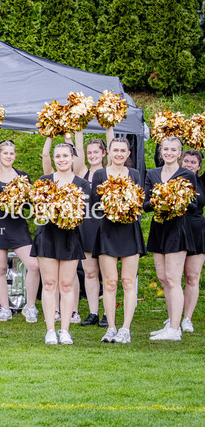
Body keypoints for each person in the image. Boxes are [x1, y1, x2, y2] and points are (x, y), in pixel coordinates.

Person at [31, 143, 90, 345]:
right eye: (58, 156)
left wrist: (65, 210)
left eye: (66, 155)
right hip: (47, 235)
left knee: (66, 284)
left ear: (73, 158)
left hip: (70, 237)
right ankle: (50, 330)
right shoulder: (44, 181)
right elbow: (37, 210)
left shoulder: (82, 184)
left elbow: (83, 213)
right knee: (49, 284)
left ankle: (65, 330)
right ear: (53, 158)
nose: (62, 159)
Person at [0, 132, 40, 322]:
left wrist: (22, 202)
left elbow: (30, 204)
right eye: (5, 153)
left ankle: (30, 307)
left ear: (15, 155)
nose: (8, 156)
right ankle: (4, 309)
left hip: (17, 225)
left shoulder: (22, 176)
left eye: (11, 153)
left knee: (34, 265)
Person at [91, 137, 146, 343]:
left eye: (123, 151)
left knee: (128, 281)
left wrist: (126, 208)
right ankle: (111, 328)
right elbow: (94, 205)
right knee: (110, 282)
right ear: (109, 152)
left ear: (128, 153)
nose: (119, 154)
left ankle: (126, 329)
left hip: (129, 231)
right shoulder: (99, 174)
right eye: (116, 150)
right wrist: (111, 207)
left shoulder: (135, 174)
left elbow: (139, 203)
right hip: (107, 231)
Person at [144, 136, 196, 342]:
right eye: (166, 149)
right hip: (158, 228)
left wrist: (176, 200)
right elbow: (145, 204)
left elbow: (193, 205)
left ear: (179, 153)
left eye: (173, 150)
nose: (169, 153)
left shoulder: (187, 174)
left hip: (177, 229)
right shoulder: (152, 174)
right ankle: (171, 321)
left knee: (174, 279)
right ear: (161, 152)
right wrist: (161, 199)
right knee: (164, 279)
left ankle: (175, 328)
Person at [74, 130, 113, 327]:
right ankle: (93, 312)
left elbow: (112, 143)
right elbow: (78, 149)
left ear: (104, 153)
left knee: (107, 274)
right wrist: (78, 128)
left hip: (105, 225)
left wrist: (108, 127)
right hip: (86, 225)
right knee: (90, 272)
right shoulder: (82, 172)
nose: (92, 155)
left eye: (96, 152)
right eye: (89, 152)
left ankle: (107, 313)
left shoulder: (110, 171)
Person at [180, 149, 205, 333]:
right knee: (172, 278)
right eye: (186, 161)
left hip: (197, 231)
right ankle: (173, 315)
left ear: (199, 166)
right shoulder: (172, 178)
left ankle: (187, 318)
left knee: (192, 276)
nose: (189, 165)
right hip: (176, 229)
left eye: (193, 162)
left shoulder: (202, 182)